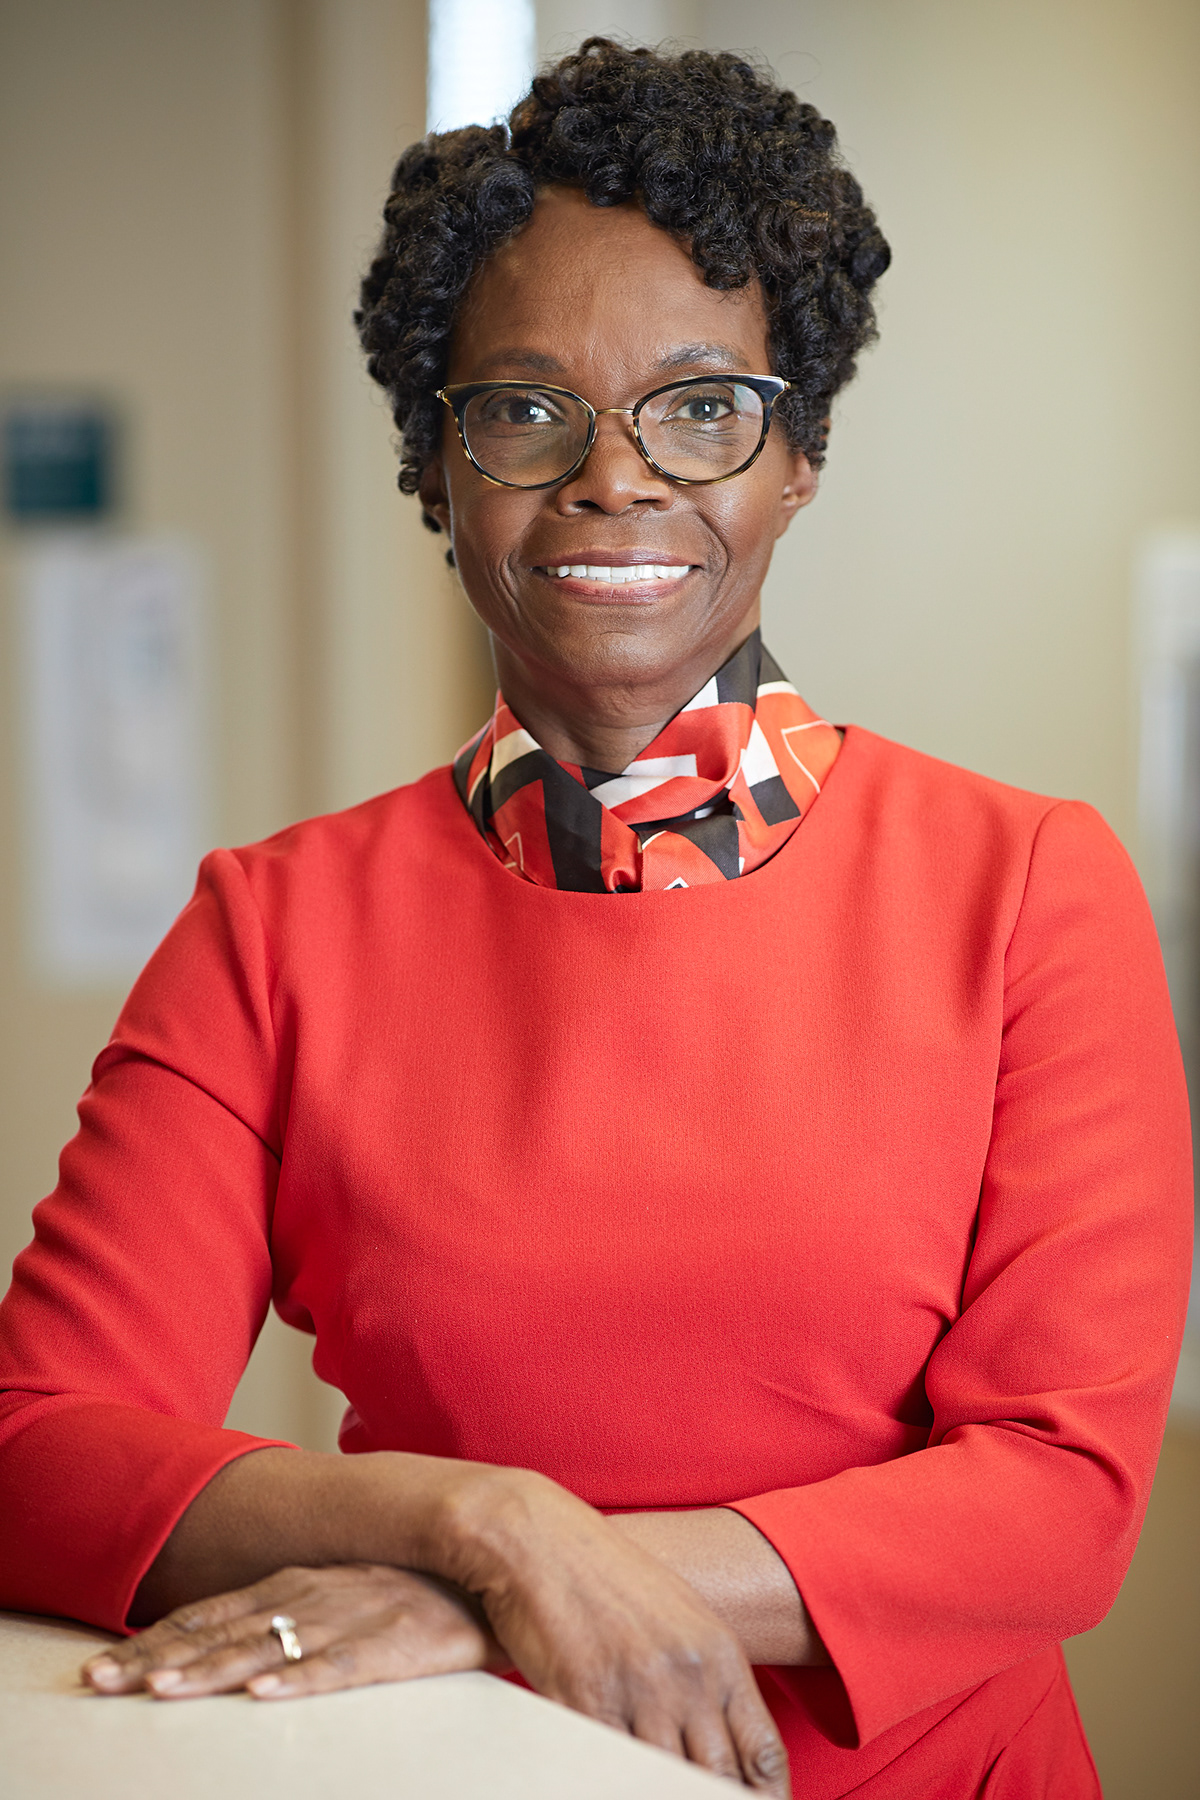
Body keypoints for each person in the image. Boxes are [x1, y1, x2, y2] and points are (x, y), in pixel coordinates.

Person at [0, 38, 1191, 1800]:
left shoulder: (1024, 890)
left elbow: (1054, 1506)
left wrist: (499, 1597)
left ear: (800, 460)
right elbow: (36, 1456)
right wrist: (483, 1525)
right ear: (439, 469)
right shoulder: (272, 934)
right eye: (525, 406)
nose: (615, 478)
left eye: (704, 406)